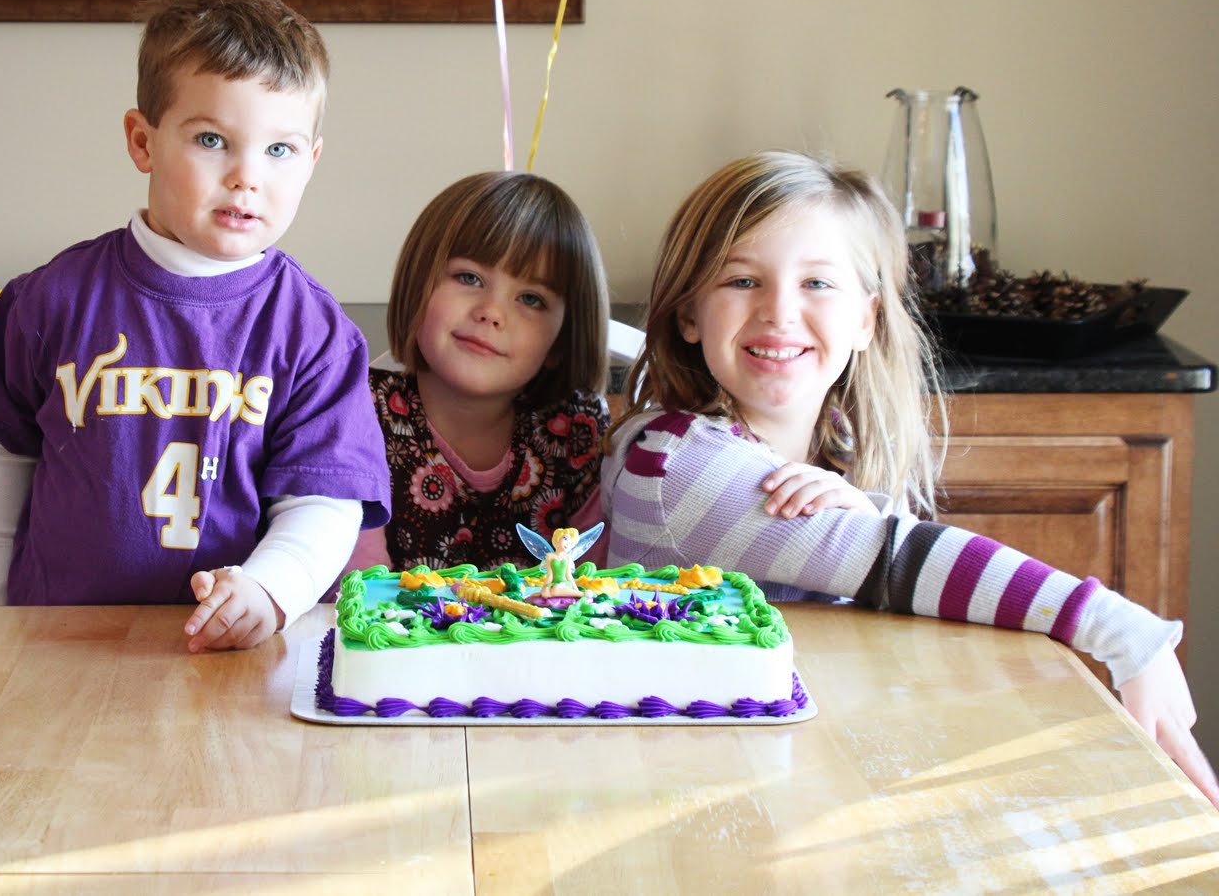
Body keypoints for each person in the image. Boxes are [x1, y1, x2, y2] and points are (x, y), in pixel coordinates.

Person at [602, 149, 1219, 806]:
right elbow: (906, 562)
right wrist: (1124, 634)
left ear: (865, 319)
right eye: (743, 280)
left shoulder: (837, 444)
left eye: (817, 283)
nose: (779, 311)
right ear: (689, 314)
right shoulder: (674, 462)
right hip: (682, 796)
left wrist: (866, 516)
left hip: (790, 780)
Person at [0, 0, 390, 653]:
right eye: (212, 140)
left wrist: (269, 589)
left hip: (224, 658)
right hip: (52, 648)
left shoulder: (316, 334)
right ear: (143, 141)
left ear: (311, 161)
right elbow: (2, 457)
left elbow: (325, 503)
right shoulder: (50, 300)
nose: (247, 176)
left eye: (279, 149)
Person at [344, 172, 611, 577]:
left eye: (531, 299)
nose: (491, 312)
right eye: (469, 278)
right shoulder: (359, 408)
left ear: (562, 339)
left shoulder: (576, 430)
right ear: (418, 284)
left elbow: (596, 588)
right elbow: (356, 592)